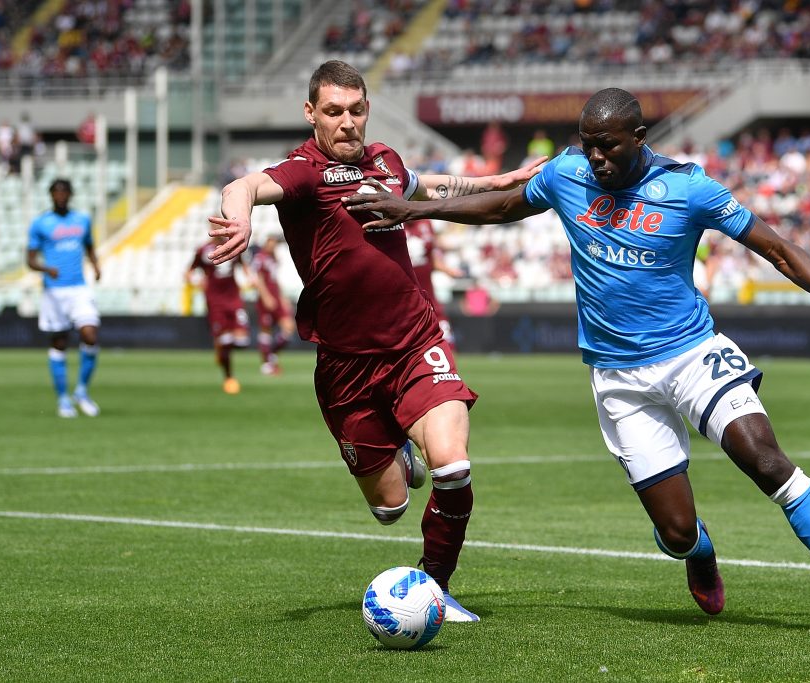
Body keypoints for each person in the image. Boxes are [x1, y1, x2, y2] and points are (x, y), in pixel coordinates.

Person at [343, 87, 810, 641]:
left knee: (764, 459)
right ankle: (700, 552)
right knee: (677, 530)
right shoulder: (568, 175)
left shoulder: (689, 187)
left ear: (639, 138)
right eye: (587, 144)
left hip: (692, 353)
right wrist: (415, 209)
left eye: (608, 146)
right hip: (619, 379)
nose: (595, 157)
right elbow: (503, 206)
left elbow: (778, 248)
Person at [205, 60, 546, 622]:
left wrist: (500, 181)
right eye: (334, 112)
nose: (347, 123)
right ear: (311, 114)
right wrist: (239, 219)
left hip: (415, 343)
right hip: (344, 367)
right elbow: (241, 185)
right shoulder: (303, 173)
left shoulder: (386, 161)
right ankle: (397, 449)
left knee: (454, 466)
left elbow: (429, 186)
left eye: (356, 110)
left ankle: (434, 588)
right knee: (390, 508)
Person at [26, 178, 101, 418]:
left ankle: (81, 391)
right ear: (51, 196)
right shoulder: (40, 223)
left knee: (90, 334)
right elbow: (30, 259)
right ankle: (63, 399)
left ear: (70, 195)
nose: (60, 196)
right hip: (54, 290)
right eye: (56, 193)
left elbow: (89, 246)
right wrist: (46, 269)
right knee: (59, 343)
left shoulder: (82, 220)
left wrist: (96, 265)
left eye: (64, 192)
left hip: (79, 288)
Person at [186, 235, 253, 394]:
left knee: (242, 340)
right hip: (215, 300)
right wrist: (196, 282)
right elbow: (189, 271)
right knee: (225, 340)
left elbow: (243, 265)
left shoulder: (234, 246)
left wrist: (250, 278)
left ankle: (221, 350)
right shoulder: (203, 250)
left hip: (233, 298)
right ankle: (229, 377)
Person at [406, 219, 464, 347]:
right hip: (406, 298)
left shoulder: (425, 223)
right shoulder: (393, 226)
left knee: (446, 340)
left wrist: (448, 270)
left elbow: (431, 257)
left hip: (429, 296)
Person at [249, 234, 296, 375]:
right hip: (266, 298)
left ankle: (271, 355)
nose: (273, 245)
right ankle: (266, 364)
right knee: (266, 330)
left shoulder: (273, 259)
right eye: (272, 242)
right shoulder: (260, 258)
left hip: (276, 297)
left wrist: (282, 298)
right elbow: (259, 279)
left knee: (289, 327)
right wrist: (266, 297)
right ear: (267, 243)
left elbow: (275, 280)